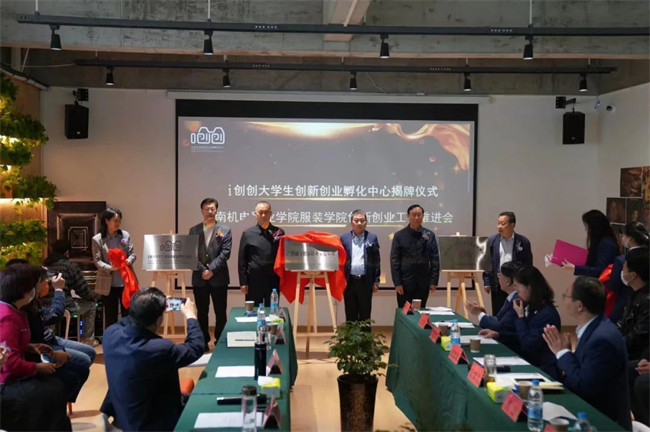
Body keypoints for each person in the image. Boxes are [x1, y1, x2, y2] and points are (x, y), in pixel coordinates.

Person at [100, 288, 204, 431]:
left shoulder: (110, 335)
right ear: (158, 319)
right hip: (155, 424)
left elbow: (126, 321)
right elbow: (195, 347)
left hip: (124, 418)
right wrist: (191, 315)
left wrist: (148, 305)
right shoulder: (159, 348)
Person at [543, 276, 631, 430]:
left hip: (602, 423)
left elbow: (584, 386)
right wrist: (567, 354)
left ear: (579, 306)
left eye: (566, 295)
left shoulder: (602, 340)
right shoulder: (594, 328)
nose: (563, 299)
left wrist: (562, 353)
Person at [0, 263, 72, 431]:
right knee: (52, 391)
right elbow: (9, 363)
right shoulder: (7, 318)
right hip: (7, 382)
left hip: (14, 376)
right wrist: (37, 367)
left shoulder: (14, 311)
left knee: (56, 387)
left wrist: (30, 347)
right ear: (25, 290)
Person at [480, 266, 561, 379]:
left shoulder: (547, 314)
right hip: (529, 361)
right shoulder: (534, 307)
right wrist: (498, 334)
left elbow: (527, 344)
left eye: (518, 287)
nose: (516, 291)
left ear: (530, 287)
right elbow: (522, 335)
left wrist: (521, 317)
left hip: (542, 369)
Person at [190, 198, 231, 351]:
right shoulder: (194, 230)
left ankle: (220, 341)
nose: (210, 211)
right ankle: (203, 342)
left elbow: (225, 253)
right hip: (199, 278)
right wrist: (203, 270)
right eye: (207, 209)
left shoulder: (225, 230)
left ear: (216, 210)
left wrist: (211, 270)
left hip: (219, 277)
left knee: (220, 311)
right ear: (202, 210)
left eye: (212, 208)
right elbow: (191, 254)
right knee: (202, 312)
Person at [44, 239, 99, 346]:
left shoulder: (46, 265)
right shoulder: (70, 266)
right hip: (65, 305)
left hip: (45, 305)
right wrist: (94, 296)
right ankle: (87, 339)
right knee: (91, 305)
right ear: (67, 252)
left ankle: (49, 340)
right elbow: (82, 290)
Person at [617, 247, 649, 425]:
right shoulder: (634, 294)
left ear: (634, 274)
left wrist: (615, 346)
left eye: (624, 267)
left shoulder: (646, 300)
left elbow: (640, 335)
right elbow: (625, 326)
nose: (621, 271)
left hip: (638, 352)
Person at [92, 207, 137, 329]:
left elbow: (132, 254)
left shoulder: (125, 235)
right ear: (107, 221)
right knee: (110, 316)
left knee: (128, 314)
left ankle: (128, 337)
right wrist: (110, 268)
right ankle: (112, 338)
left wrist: (129, 260)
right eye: (115, 220)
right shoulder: (97, 239)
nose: (118, 223)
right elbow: (97, 260)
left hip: (125, 281)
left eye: (119, 220)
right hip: (108, 283)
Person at [483, 211, 533, 315]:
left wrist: (527, 282)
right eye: (498, 223)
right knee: (498, 312)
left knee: (517, 312)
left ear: (512, 225)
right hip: (498, 283)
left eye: (502, 224)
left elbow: (528, 264)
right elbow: (487, 262)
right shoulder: (492, 241)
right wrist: (487, 281)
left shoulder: (523, 242)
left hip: (517, 283)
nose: (499, 226)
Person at [390, 204, 439, 308]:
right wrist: (397, 283)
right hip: (405, 283)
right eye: (413, 215)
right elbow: (394, 261)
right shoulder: (399, 236)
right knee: (405, 312)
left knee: (421, 311)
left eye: (419, 215)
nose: (416, 218)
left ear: (423, 216)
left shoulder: (430, 235)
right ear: (408, 216)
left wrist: (434, 281)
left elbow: (434, 259)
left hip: (423, 282)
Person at [238, 201, 285, 307]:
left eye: (266, 212)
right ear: (255, 214)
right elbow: (242, 260)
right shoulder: (248, 233)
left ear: (271, 214)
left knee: (272, 311)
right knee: (253, 312)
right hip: (253, 280)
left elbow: (282, 256)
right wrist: (243, 282)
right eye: (260, 212)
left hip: (273, 279)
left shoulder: (279, 232)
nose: (263, 215)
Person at [468, 261, 520, 351]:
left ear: (508, 281)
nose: (498, 277)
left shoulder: (517, 300)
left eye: (499, 275)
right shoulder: (511, 297)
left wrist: (479, 314)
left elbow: (500, 326)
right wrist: (483, 313)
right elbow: (499, 319)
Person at [340, 209, 381, 322]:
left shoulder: (372, 237)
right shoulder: (344, 238)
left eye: (362, 221)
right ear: (351, 222)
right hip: (349, 281)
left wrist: (376, 280)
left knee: (365, 315)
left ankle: (365, 335)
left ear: (366, 222)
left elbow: (376, 260)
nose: (359, 223)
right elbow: (340, 261)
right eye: (356, 220)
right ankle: (351, 335)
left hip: (365, 281)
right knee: (350, 315)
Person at [606, 222, 649, 323]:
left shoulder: (623, 260)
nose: (622, 238)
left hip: (625, 303)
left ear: (630, 238)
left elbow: (613, 285)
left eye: (623, 235)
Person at [562, 209, 618, 278]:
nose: (586, 229)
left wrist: (575, 268)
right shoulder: (602, 242)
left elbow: (600, 270)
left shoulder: (606, 244)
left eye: (587, 226)